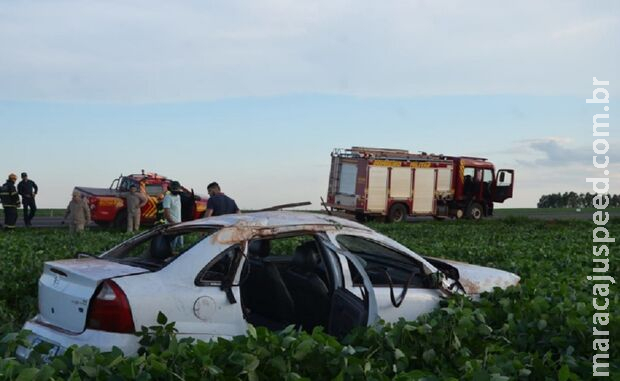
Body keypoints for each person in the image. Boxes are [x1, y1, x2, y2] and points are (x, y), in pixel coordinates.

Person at [163, 181, 183, 248]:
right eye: (174, 189)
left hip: (179, 224)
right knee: (172, 247)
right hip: (172, 225)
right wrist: (173, 223)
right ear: (171, 189)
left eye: (177, 189)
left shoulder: (178, 196)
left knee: (181, 247)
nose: (176, 191)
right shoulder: (168, 197)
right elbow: (166, 213)